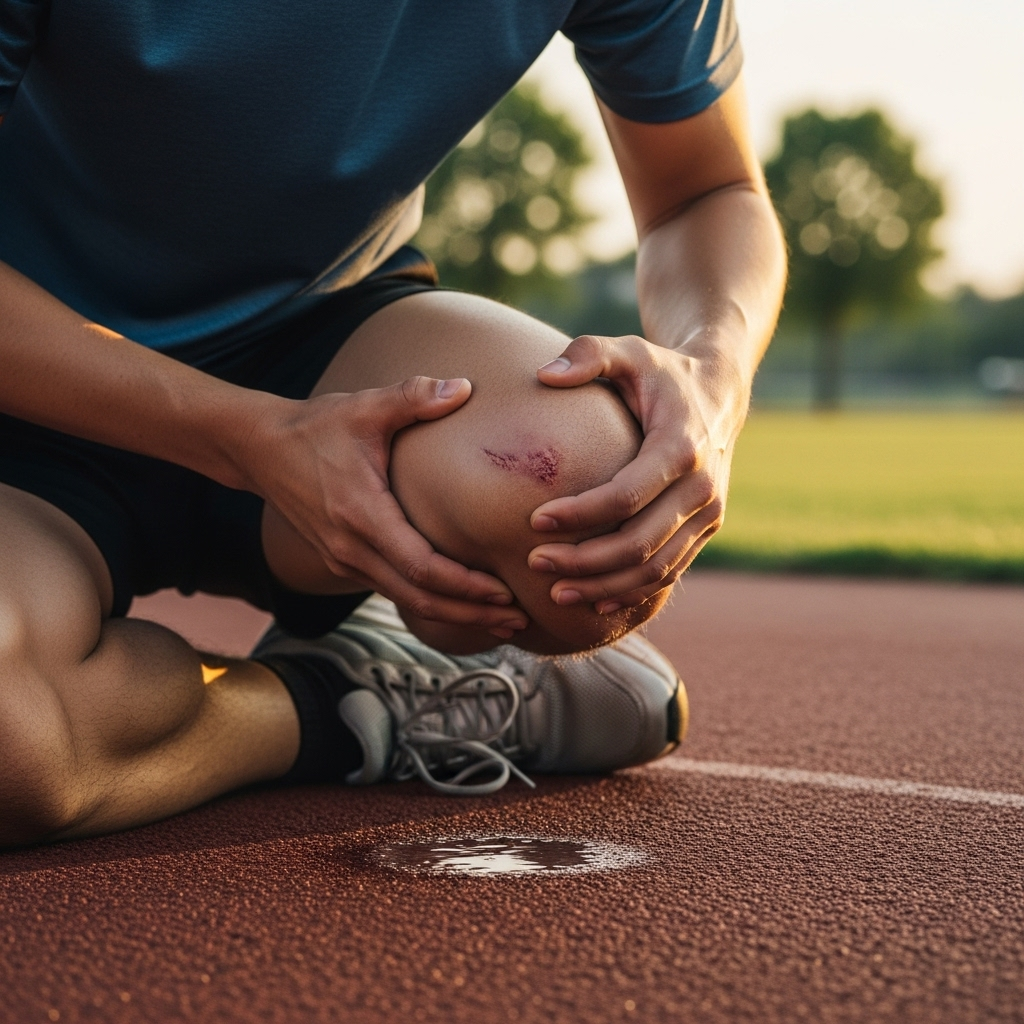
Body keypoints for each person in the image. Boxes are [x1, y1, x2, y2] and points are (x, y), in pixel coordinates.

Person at [0, 0, 786, 846]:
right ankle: (330, 706)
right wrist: (240, 436)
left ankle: (360, 683)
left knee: (587, 502)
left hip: (325, 349)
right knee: (12, 748)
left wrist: (713, 377)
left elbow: (706, 190)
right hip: (31, 386)